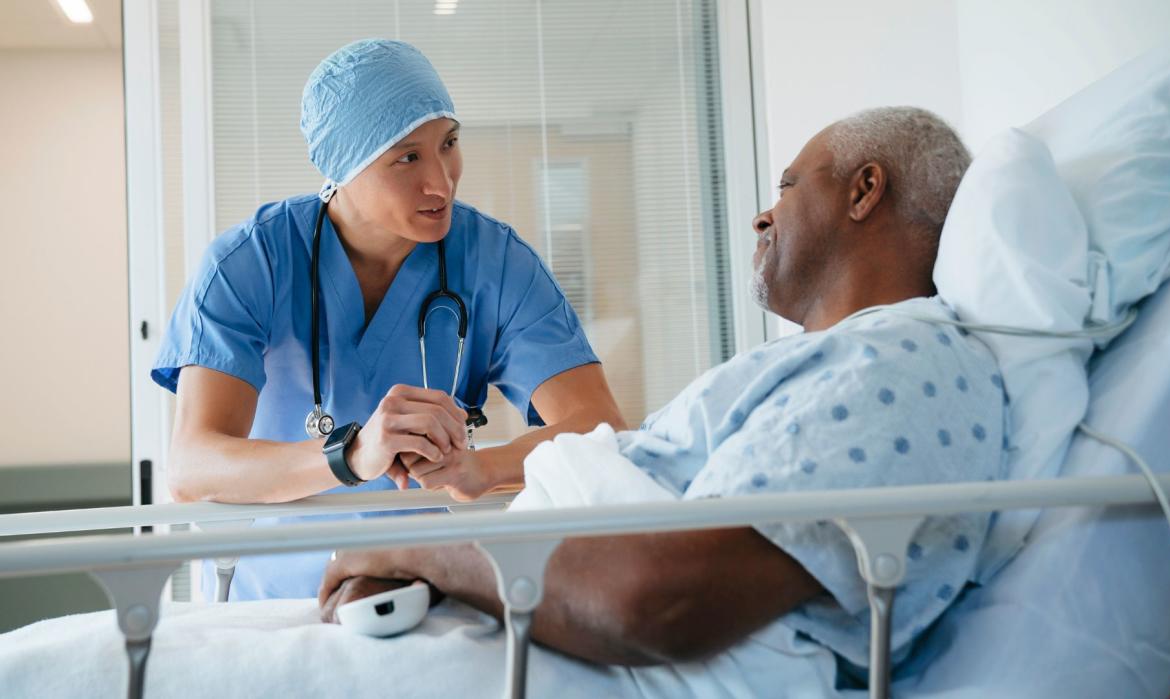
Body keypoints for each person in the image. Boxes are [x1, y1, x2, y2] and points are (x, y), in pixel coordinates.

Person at [319, 106, 1006, 674]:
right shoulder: (830, 365)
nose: (762, 217)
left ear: (864, 190)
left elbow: (659, 600)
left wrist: (409, 548)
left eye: (788, 188)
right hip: (547, 609)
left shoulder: (898, 365)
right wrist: (419, 568)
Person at [152, 39, 624, 600]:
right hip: (268, 603)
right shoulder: (252, 263)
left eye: (448, 143)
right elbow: (192, 466)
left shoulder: (494, 262)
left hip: (420, 595)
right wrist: (351, 455)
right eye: (407, 157)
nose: (442, 182)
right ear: (342, 167)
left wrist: (484, 469)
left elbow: (600, 430)